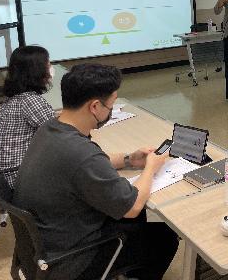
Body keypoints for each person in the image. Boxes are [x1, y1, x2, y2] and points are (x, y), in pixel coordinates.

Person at [13, 64, 178, 280]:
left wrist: (128, 159)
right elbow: (132, 206)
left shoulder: (51, 128)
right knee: (164, 238)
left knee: (135, 221)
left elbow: (83, 166)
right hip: (70, 260)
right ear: (95, 106)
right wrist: (150, 168)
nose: (111, 110)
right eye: (111, 105)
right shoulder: (81, 153)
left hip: (47, 245)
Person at [0, 45, 55, 188]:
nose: (50, 69)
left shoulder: (14, 98)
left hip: (7, 175)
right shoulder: (30, 101)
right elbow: (63, 133)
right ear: (37, 70)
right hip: (24, 179)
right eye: (48, 64)